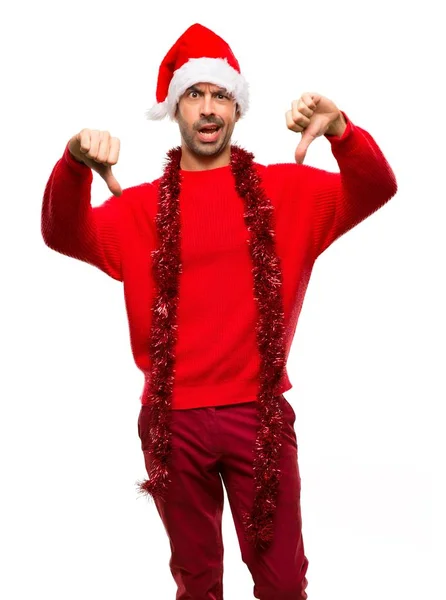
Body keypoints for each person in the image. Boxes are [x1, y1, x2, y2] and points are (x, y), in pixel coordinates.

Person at [41, 22, 398, 600]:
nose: (208, 109)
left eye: (221, 95)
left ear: (237, 108)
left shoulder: (292, 192)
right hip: (171, 423)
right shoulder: (136, 210)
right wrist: (73, 164)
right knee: (197, 580)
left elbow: (376, 186)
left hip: (258, 417)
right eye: (194, 94)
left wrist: (342, 131)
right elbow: (62, 233)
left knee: (283, 583)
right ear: (175, 108)